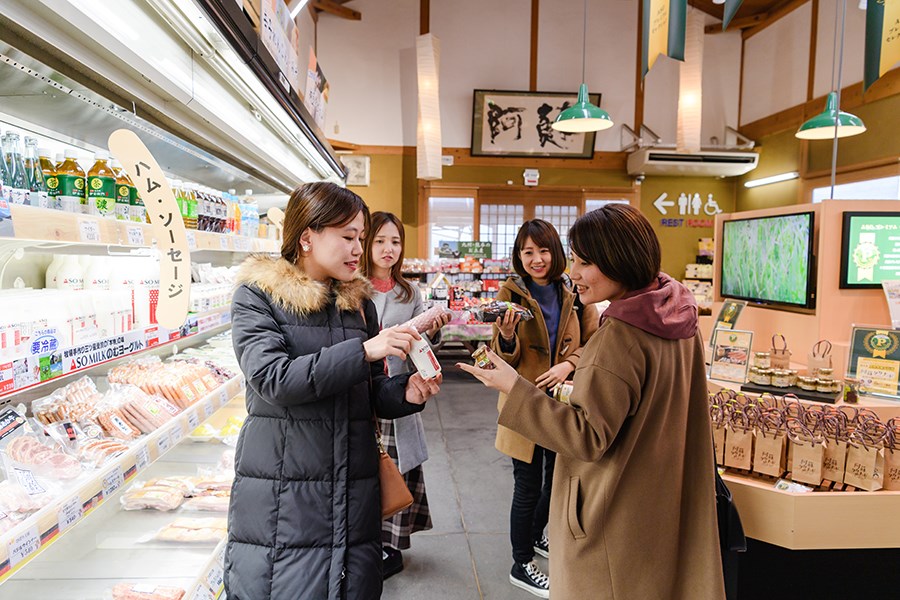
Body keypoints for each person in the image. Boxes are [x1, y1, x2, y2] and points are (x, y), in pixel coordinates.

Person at [459, 204, 725, 600]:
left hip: (612, 507)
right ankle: (525, 554)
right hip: (663, 496)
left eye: (585, 262)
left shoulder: (620, 334)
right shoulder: (678, 315)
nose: (574, 272)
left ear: (619, 260)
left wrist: (514, 386)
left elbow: (586, 436)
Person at [224, 182, 442, 600]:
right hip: (286, 492)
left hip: (354, 488)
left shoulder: (360, 303)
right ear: (307, 236)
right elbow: (273, 378)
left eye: (361, 237)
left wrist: (408, 393)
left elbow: (372, 390)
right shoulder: (257, 297)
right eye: (347, 237)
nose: (358, 249)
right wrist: (362, 351)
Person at [490, 219, 595, 598]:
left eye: (544, 250)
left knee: (556, 480)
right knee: (528, 483)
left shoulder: (574, 291)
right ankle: (521, 562)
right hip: (524, 400)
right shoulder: (510, 293)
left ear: (556, 252)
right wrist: (505, 334)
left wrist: (569, 364)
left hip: (564, 402)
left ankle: (536, 537)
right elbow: (503, 357)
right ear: (519, 256)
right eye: (528, 252)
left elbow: (594, 341)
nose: (536, 259)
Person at [361, 211, 450, 578]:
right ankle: (364, 542)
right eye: (380, 241)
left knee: (397, 470)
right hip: (362, 391)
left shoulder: (410, 292)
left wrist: (434, 328)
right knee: (365, 468)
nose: (388, 249)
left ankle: (391, 547)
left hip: (398, 395)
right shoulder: (353, 287)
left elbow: (419, 347)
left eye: (395, 241)